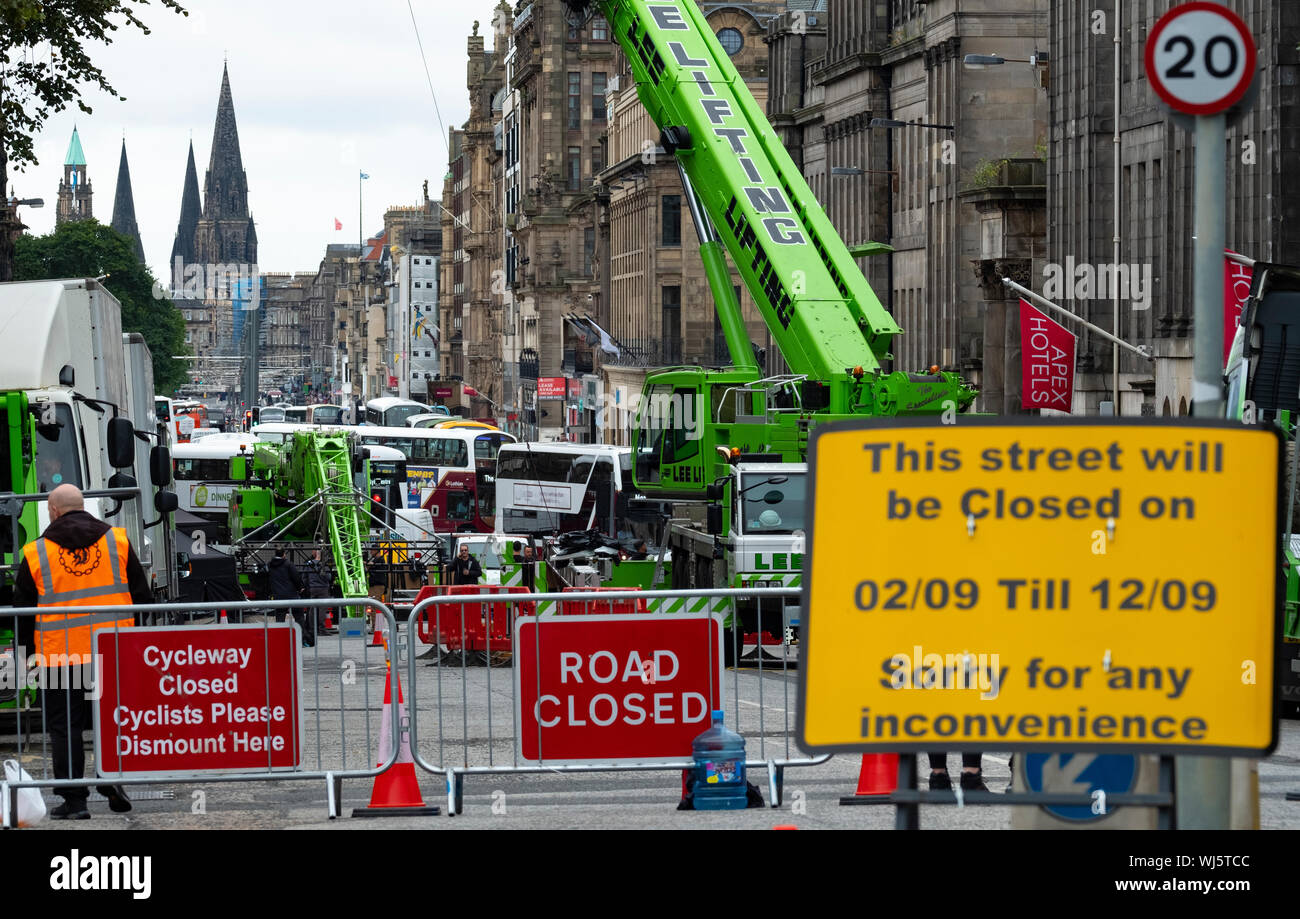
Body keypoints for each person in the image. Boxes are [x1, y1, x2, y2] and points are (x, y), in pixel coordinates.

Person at [13, 484, 141, 820]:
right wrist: (138, 643)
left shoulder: (35, 553)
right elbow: (142, 597)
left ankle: (75, 801)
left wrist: (25, 655)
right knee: (110, 720)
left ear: (53, 511)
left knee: (64, 727)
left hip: (60, 656)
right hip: (110, 650)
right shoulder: (118, 541)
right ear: (84, 507)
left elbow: (22, 612)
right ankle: (111, 779)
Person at [268, 549, 313, 647]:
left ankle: (279, 641)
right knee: (299, 617)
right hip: (292, 595)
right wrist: (300, 588)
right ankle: (301, 640)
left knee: (279, 618)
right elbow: (296, 577)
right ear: (284, 554)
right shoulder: (288, 564)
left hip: (278, 596)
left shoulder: (270, 565)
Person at [304, 549, 335, 635]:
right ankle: (322, 629)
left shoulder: (308, 564)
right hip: (323, 588)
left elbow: (304, 576)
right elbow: (328, 577)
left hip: (313, 588)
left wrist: (308, 586)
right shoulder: (324, 565)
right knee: (322, 609)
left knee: (312, 609)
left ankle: (312, 629)